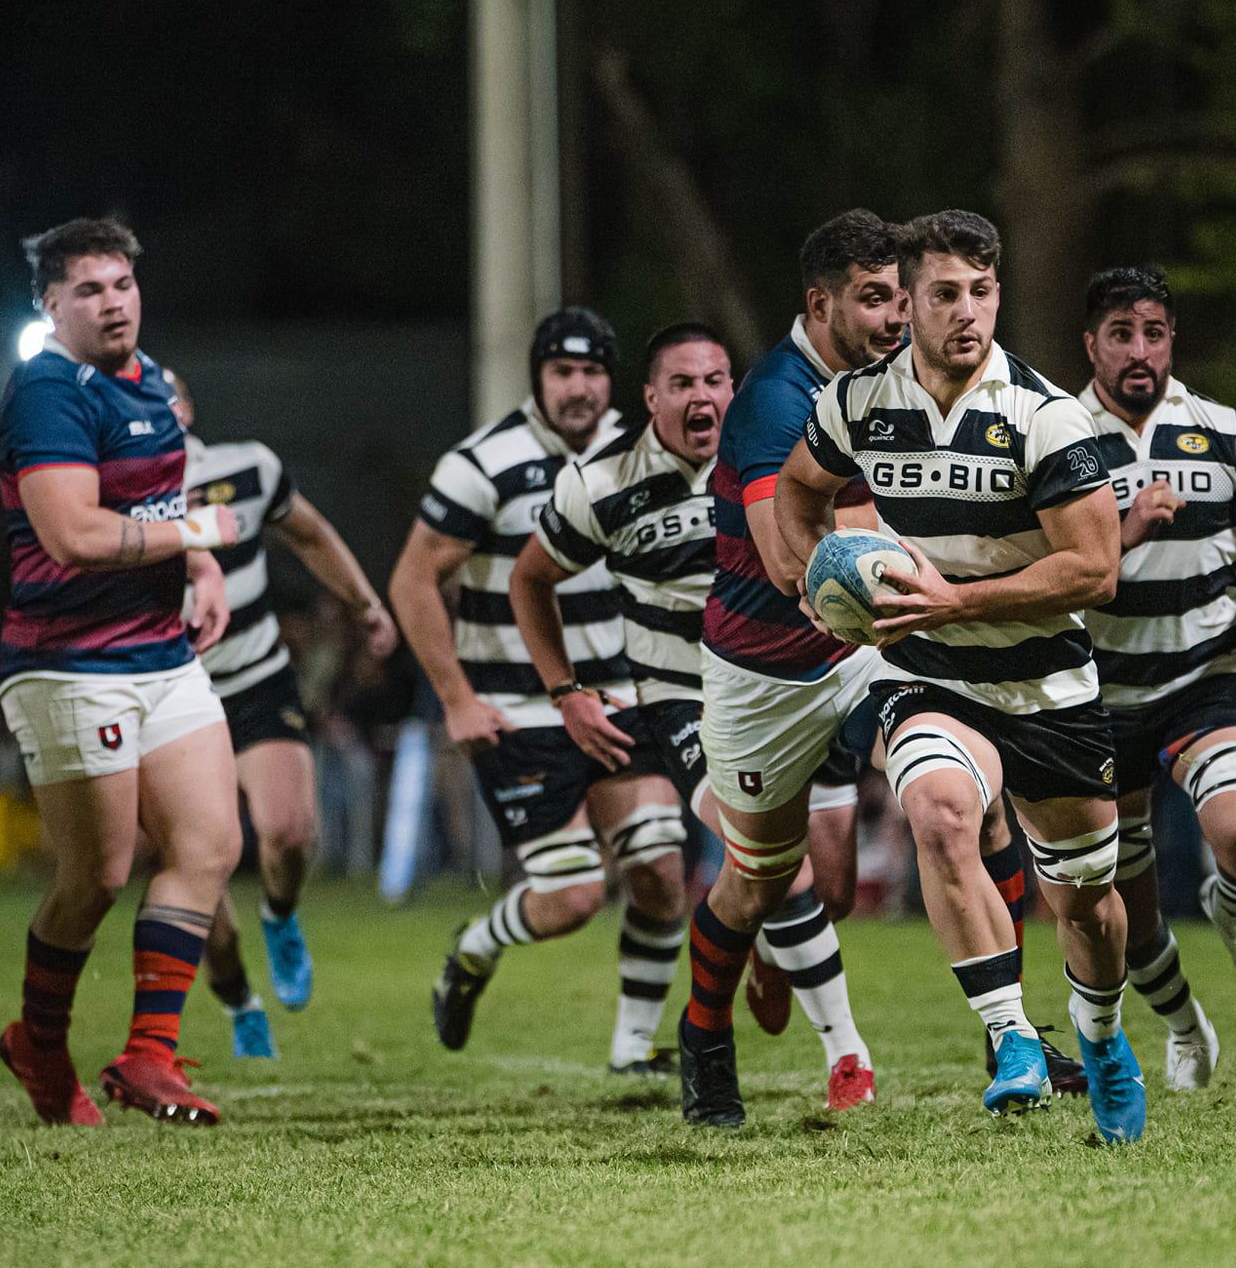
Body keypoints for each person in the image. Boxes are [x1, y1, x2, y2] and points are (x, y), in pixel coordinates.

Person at [775, 209, 1148, 1145]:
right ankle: (1012, 1035)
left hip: (1047, 689)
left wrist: (958, 600)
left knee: (1089, 907)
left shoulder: (1044, 414)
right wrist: (812, 575)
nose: (967, 312)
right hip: (926, 671)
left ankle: (1101, 1039)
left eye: (982, 292)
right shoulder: (858, 400)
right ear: (909, 298)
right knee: (940, 814)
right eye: (945, 293)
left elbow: (1093, 571)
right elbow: (796, 489)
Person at [509, 323, 875, 1100]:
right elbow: (529, 580)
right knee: (780, 867)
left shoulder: (774, 455)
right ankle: (846, 1056)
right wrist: (565, 692)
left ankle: (770, 957)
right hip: (687, 698)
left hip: (795, 683)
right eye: (682, 383)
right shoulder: (600, 483)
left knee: (831, 884)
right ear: (650, 398)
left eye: (715, 381)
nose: (702, 397)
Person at [665, 210, 911, 1127]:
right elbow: (782, 558)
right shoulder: (775, 397)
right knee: (760, 883)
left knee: (955, 783)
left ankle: (1013, 1031)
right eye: (874, 298)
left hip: (859, 653)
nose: (897, 315)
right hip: (761, 676)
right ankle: (704, 1037)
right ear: (822, 303)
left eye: (900, 294)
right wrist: (901, 550)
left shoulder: (899, 378)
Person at [0, 218, 241, 1126]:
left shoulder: (151, 379)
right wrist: (198, 538)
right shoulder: (47, 392)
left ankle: (148, 1056)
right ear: (50, 305)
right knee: (96, 874)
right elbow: (76, 533)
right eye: (89, 289)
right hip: (68, 666)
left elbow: (164, 495)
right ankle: (40, 1045)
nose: (112, 301)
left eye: (123, 284)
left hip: (160, 655)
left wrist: (200, 566)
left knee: (210, 845)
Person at [1073, 266, 1236, 1090]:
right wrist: (1128, 525)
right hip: (1095, 697)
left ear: (1172, 339)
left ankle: (1231, 906)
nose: (1139, 350)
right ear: (1092, 345)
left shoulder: (1224, 431)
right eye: (1121, 334)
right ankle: (1186, 1027)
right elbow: (1048, 567)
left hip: (1204, 680)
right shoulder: (1056, 437)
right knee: (1124, 916)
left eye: (1153, 331)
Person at [390, 307, 645, 1058]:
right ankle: (473, 948)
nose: (580, 388)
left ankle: (634, 1048)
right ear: (537, 378)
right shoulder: (481, 463)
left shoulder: (642, 450)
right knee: (571, 898)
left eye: (593, 371)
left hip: (622, 700)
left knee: (661, 867)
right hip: (519, 708)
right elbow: (411, 581)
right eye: (563, 372)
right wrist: (457, 700)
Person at [165, 374, 398, 1060]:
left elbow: (311, 534)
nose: (158, 405)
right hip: (172, 697)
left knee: (290, 832)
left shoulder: (245, 467)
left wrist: (364, 603)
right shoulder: (106, 492)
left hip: (257, 680)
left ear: (187, 404)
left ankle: (280, 913)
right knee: (199, 870)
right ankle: (240, 1000)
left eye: (169, 393)